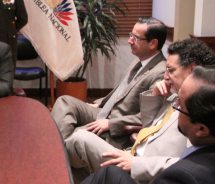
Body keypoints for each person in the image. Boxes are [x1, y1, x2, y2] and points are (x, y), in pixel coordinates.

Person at [66, 39, 215, 183]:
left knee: (80, 140)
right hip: (132, 152)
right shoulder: (173, 94)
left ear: (192, 69)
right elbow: (148, 126)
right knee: (74, 161)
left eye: (170, 71)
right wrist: (155, 95)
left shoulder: (197, 109)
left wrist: (136, 164)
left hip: (143, 169)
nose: (165, 77)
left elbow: (189, 164)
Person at [52, 17, 167, 149]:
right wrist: (99, 103)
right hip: (105, 111)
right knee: (65, 102)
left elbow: (148, 118)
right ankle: (58, 150)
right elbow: (121, 92)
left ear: (153, 43)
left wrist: (111, 124)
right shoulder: (138, 61)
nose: (130, 41)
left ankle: (56, 152)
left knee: (76, 135)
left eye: (135, 38)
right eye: (131, 35)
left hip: (116, 123)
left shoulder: (160, 73)